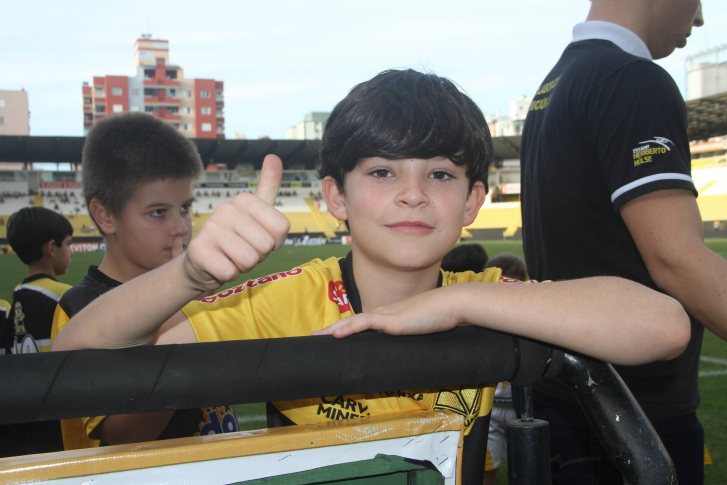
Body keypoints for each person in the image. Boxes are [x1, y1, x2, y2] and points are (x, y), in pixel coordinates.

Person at [53, 70, 689, 484]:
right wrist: (188, 274)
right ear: (335, 197)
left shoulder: (488, 300)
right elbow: (75, 354)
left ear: (472, 202)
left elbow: (664, 325)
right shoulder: (285, 300)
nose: (412, 195)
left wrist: (460, 301)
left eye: (440, 174)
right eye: (382, 172)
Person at [518, 1, 725, 483]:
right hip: (634, 410)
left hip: (569, 394)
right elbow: (677, 258)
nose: (699, 19)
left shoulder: (556, 83)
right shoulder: (631, 79)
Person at [50, 112, 239, 452]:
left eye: (185, 207)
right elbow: (126, 433)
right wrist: (175, 310)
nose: (181, 227)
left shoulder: (197, 287)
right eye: (158, 212)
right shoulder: (80, 311)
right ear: (106, 215)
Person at [2, 207, 74, 457]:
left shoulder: (17, 298)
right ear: (51, 248)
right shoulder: (65, 296)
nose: (71, 252)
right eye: (68, 244)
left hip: (24, 421)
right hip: (59, 418)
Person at [481, 253, 528, 484]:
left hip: (518, 409)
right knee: (486, 467)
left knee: (524, 465)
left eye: (514, 285)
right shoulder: (479, 317)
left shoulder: (529, 321)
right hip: (488, 409)